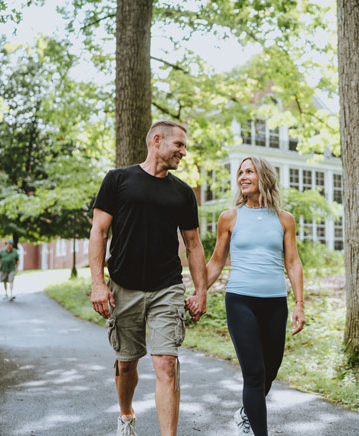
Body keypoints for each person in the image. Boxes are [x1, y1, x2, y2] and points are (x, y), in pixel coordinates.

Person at [89, 120, 207, 436]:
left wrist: (200, 290)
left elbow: (194, 244)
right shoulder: (118, 180)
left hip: (167, 287)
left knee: (166, 364)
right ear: (157, 140)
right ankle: (126, 416)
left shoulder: (182, 192)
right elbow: (99, 232)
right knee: (126, 363)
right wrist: (98, 283)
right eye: (179, 145)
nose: (184, 152)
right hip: (123, 286)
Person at [206, 156, 306, 436]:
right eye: (240, 172)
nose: (242, 176)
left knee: (271, 370)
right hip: (240, 300)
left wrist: (299, 304)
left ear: (264, 176)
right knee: (254, 373)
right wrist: (199, 292)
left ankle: (246, 412)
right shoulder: (230, 217)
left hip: (275, 303)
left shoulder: (285, 219)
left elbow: (293, 261)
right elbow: (216, 261)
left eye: (249, 171)